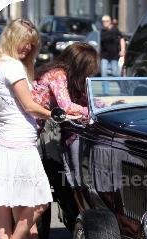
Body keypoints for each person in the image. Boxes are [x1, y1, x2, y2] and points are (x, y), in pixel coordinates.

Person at [0, 19, 55, 239]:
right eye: (24, 43)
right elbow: (29, 106)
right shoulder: (13, 67)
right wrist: (56, 115)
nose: (27, 49)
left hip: (4, 139)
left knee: (6, 201)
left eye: (32, 46)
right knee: (39, 200)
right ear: (12, 39)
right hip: (18, 142)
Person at [32, 42, 99, 216]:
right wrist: (93, 111)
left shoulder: (63, 75)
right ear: (79, 65)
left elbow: (81, 99)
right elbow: (66, 106)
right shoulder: (57, 75)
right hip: (30, 127)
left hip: (39, 125)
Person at [100, 15, 126, 93]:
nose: (104, 23)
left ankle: (123, 89)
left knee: (115, 73)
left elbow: (122, 39)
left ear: (109, 21)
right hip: (104, 55)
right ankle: (106, 92)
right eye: (103, 21)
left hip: (114, 55)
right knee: (104, 73)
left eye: (106, 21)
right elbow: (101, 43)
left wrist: (123, 50)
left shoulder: (115, 30)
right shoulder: (102, 31)